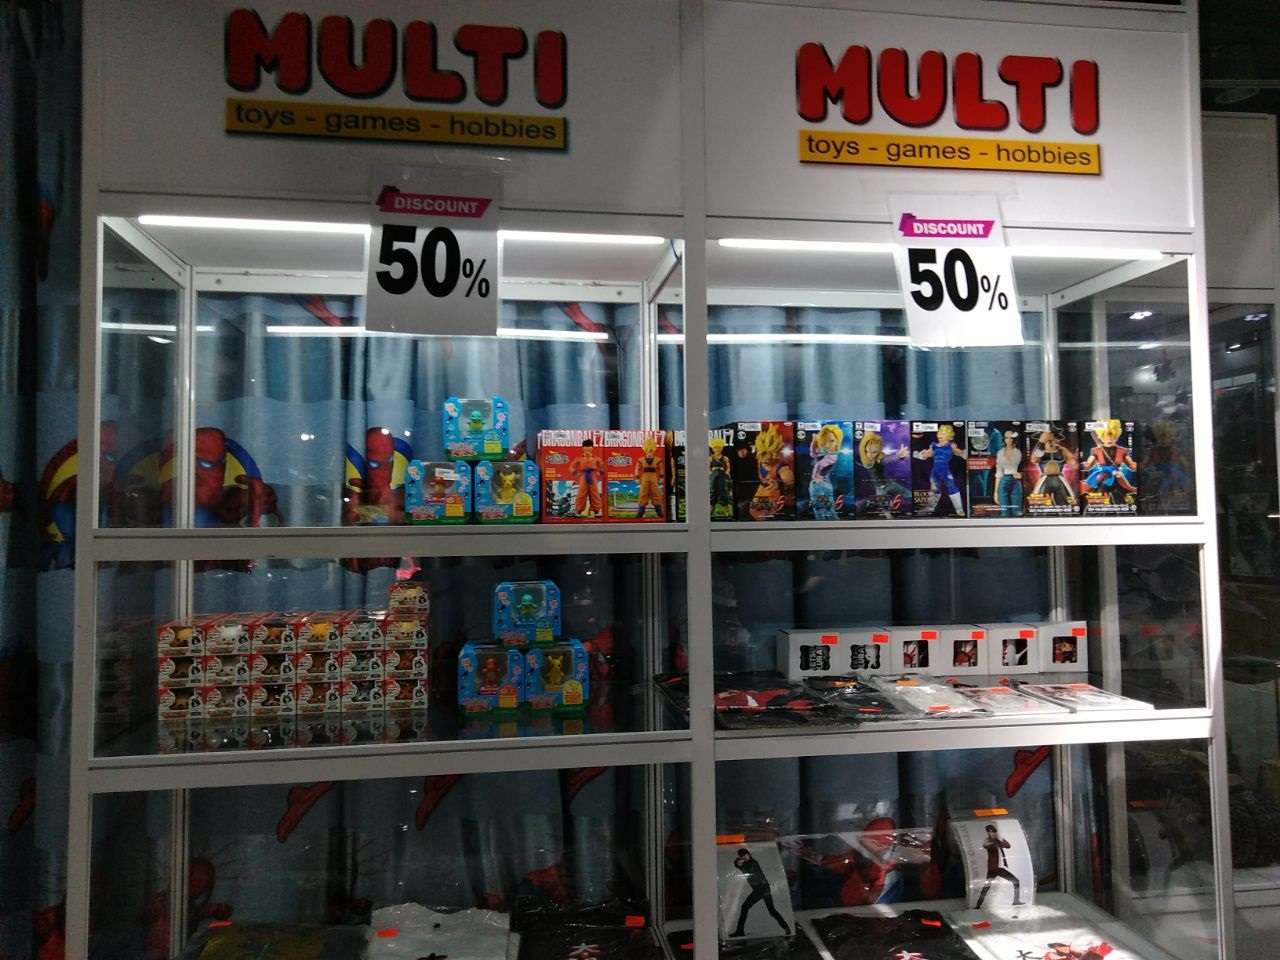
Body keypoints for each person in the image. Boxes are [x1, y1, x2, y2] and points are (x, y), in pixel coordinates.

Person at [731, 848, 790, 936]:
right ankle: (786, 928)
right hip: (763, 888)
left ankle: (740, 931)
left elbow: (748, 868)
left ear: (748, 854)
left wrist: (739, 864)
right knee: (771, 910)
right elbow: (739, 866)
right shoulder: (746, 863)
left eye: (746, 855)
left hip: (761, 888)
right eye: (742, 856)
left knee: (745, 907)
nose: (745, 857)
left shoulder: (753, 863)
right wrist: (737, 863)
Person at [974, 824, 1024, 908]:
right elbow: (985, 845)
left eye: (994, 832)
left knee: (1015, 881)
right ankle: (978, 905)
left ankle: (1016, 901)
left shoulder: (997, 840)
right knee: (987, 887)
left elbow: (1008, 846)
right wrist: (997, 843)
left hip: (998, 868)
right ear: (988, 833)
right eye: (991, 832)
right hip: (994, 868)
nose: (993, 833)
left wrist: (1002, 840)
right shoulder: (989, 841)